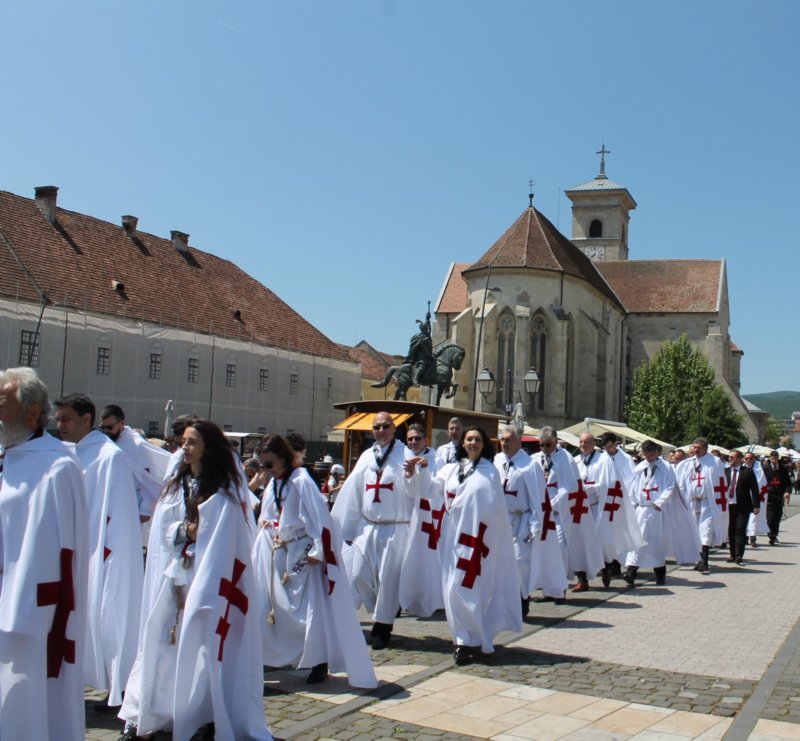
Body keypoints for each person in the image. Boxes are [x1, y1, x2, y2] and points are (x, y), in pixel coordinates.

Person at [119, 420, 271, 741]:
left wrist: (199, 537)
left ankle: (201, 715)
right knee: (161, 642)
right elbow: (163, 529)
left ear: (208, 447)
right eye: (183, 442)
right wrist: (184, 532)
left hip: (207, 580)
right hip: (174, 577)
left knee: (203, 649)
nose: (184, 448)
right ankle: (151, 714)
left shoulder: (225, 491)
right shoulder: (176, 485)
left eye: (192, 443)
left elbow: (231, 536)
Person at [0, 367, 88, 741]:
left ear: (32, 412)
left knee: (25, 703)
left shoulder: (57, 466)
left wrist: (26, 613)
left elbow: (63, 554)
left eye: (1, 402)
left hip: (28, 615)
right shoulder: (8, 457)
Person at [252, 435, 376, 688]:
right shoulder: (275, 483)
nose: (266, 470)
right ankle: (281, 654)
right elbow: (268, 512)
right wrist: (265, 522)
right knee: (278, 608)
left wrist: (319, 549)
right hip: (279, 550)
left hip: (302, 551)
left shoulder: (301, 480)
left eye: (270, 464)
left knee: (306, 611)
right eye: (263, 465)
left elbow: (320, 517)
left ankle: (318, 659)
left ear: (284, 458)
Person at [54, 393, 143, 713]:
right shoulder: (66, 454)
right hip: (71, 553)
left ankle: (116, 687)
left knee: (106, 620)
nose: (59, 425)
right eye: (58, 418)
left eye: (66, 419)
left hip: (101, 556)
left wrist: (109, 559)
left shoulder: (110, 457)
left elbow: (119, 517)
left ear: (86, 419)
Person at [406, 426, 520, 665]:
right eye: (469, 439)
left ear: (484, 444)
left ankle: (473, 638)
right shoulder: (449, 469)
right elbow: (430, 491)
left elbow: (496, 509)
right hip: (452, 537)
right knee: (451, 587)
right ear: (463, 443)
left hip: (478, 540)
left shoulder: (490, 472)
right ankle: (461, 639)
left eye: (477, 439)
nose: (472, 443)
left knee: (471, 588)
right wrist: (419, 472)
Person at [331, 412, 412, 649]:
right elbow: (353, 489)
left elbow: (415, 490)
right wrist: (348, 525)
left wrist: (411, 476)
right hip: (368, 526)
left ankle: (382, 626)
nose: (381, 430)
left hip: (395, 527)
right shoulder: (368, 456)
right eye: (376, 427)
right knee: (358, 574)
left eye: (386, 426)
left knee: (388, 578)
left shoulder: (405, 454)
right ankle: (382, 609)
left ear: (394, 428)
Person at [534, 427, 604, 594]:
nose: (544, 449)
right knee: (543, 547)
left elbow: (569, 486)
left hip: (563, 510)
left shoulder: (565, 459)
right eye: (541, 445)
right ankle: (548, 585)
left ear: (556, 442)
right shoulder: (536, 458)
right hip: (542, 511)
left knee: (565, 545)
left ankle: (572, 581)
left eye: (548, 445)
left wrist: (553, 504)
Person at [494, 425, 541, 617]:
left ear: (518, 442)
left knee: (520, 561)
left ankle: (523, 597)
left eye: (508, 440)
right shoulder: (496, 461)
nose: (504, 443)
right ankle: (504, 601)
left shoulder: (529, 465)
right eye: (502, 440)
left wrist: (535, 524)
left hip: (522, 518)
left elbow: (537, 496)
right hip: (500, 519)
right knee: (500, 561)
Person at [400, 424, 445, 617]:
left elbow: (435, 489)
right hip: (406, 515)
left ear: (426, 440)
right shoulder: (401, 458)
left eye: (417, 438)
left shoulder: (437, 460)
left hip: (430, 517)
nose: (413, 442)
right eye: (410, 439)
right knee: (408, 559)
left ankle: (433, 598)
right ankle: (409, 597)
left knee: (430, 560)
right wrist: (409, 475)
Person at [99, 404, 171, 523]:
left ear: (121, 423)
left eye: (109, 427)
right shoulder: (106, 442)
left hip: (131, 505)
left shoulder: (137, 445)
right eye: (103, 428)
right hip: (109, 504)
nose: (106, 431)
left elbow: (150, 478)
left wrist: (145, 510)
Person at [623, 440, 679, 586]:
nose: (649, 457)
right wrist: (633, 504)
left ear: (657, 452)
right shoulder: (640, 467)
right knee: (637, 541)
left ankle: (660, 575)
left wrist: (660, 502)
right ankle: (631, 573)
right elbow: (633, 486)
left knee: (655, 543)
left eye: (652, 454)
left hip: (656, 511)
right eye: (647, 455)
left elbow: (670, 486)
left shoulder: (665, 467)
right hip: (641, 509)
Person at [675, 437, 727, 573]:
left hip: (708, 503)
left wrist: (719, 503)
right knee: (694, 532)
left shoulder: (714, 462)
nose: (695, 450)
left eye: (698, 448)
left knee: (706, 531)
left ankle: (704, 562)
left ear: (705, 448)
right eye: (694, 447)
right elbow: (680, 485)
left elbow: (720, 483)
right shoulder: (686, 464)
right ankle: (698, 560)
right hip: (691, 502)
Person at [725, 450, 760, 564]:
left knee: (740, 530)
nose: (730, 459)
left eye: (732, 457)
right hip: (728, 506)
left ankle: (739, 555)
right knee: (730, 530)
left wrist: (756, 505)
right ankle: (732, 554)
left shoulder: (748, 472)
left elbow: (754, 490)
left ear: (740, 459)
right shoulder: (725, 471)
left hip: (742, 506)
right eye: (729, 457)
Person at [764, 450, 792, 544]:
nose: (774, 460)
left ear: (778, 458)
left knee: (777, 516)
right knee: (770, 517)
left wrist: (787, 492)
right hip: (769, 496)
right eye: (772, 458)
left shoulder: (783, 469)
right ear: (770, 458)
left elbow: (788, 483)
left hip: (779, 497)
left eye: (775, 458)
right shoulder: (765, 468)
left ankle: (774, 536)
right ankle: (771, 534)